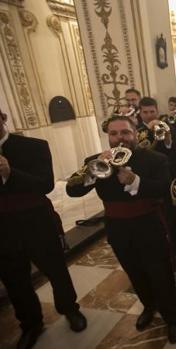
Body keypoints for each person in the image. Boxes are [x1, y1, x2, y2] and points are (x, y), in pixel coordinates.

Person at [66, 115, 176, 344]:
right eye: (114, 134)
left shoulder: (154, 158)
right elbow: (73, 191)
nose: (120, 138)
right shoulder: (96, 160)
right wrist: (91, 171)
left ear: (135, 134)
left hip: (149, 226)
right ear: (108, 137)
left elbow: (164, 189)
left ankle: (173, 317)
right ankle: (149, 306)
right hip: (118, 229)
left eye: (125, 132)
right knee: (135, 272)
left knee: (161, 275)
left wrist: (135, 181)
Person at [0, 108, 87, 349]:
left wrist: (11, 173)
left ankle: (70, 310)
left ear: (3, 118)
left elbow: (46, 184)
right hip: (3, 230)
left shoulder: (35, 146)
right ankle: (30, 324)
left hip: (37, 223)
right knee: (15, 280)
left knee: (56, 270)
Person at [135, 97, 176, 252]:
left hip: (167, 176)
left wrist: (169, 141)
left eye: (152, 111)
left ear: (157, 111)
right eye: (146, 112)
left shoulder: (167, 125)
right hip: (146, 178)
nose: (150, 115)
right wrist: (148, 133)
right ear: (140, 113)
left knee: (171, 214)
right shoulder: (136, 131)